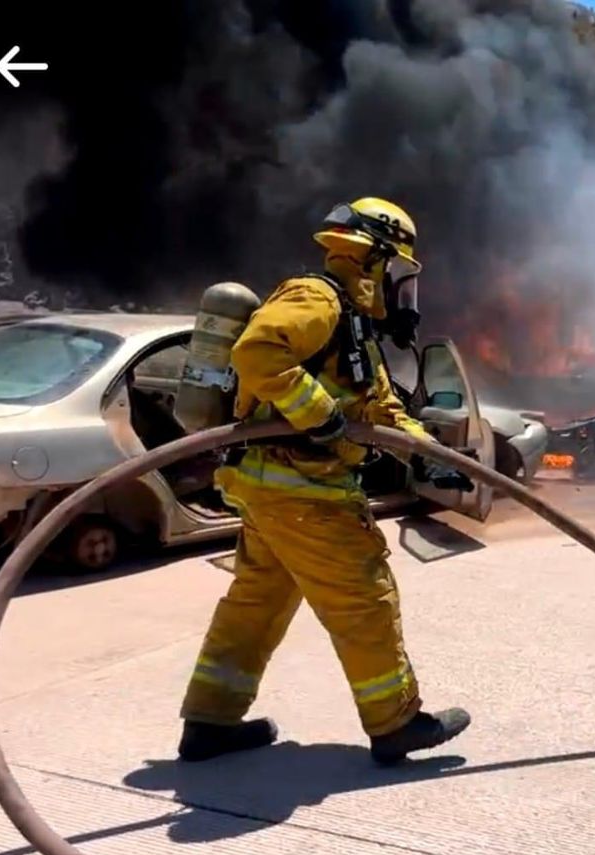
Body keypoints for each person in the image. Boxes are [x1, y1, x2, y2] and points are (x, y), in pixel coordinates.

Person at [177, 197, 474, 767]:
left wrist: (429, 455)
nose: (402, 289)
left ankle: (209, 722)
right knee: (365, 598)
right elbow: (257, 352)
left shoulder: (351, 324)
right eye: (399, 271)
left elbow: (382, 409)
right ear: (373, 258)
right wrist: (319, 414)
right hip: (305, 491)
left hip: (275, 490)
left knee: (256, 605)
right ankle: (395, 723)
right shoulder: (317, 299)